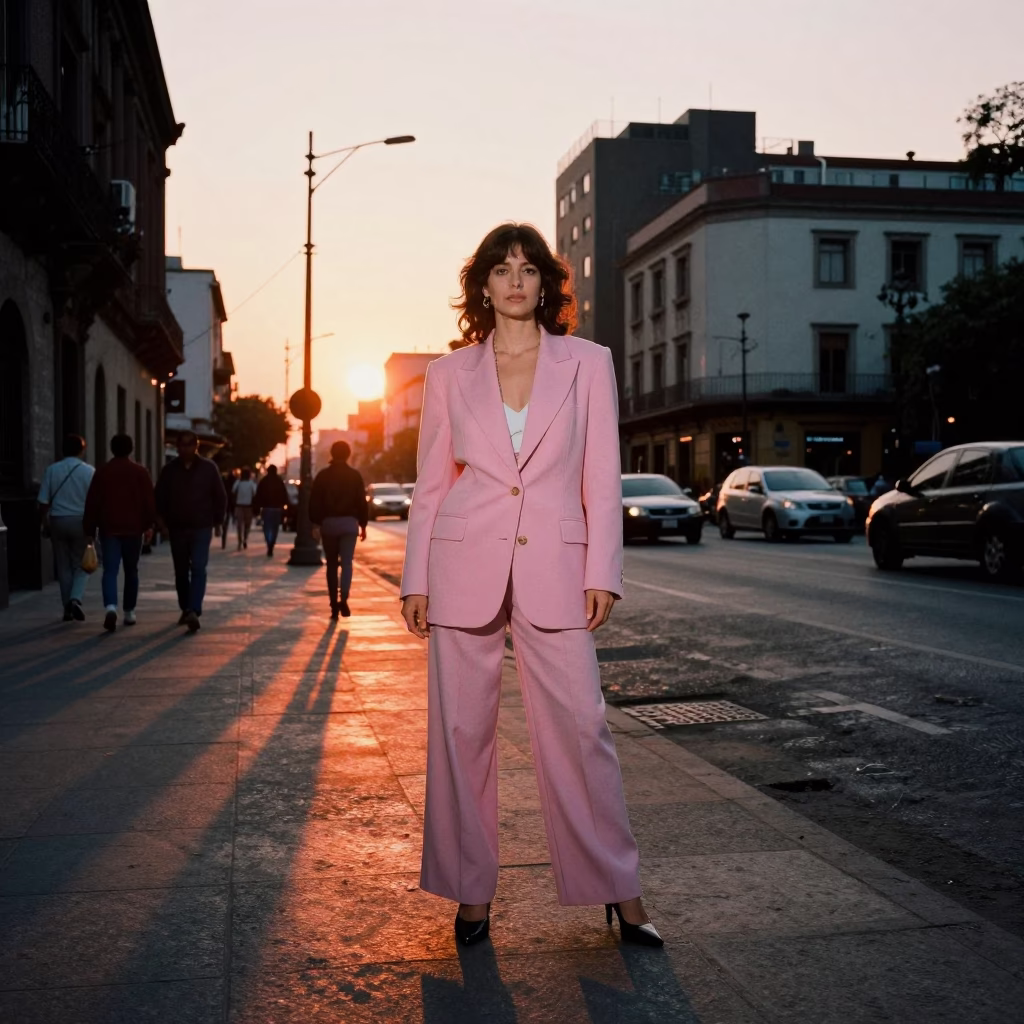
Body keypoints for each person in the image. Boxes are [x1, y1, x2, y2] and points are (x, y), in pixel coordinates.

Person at [400, 223, 662, 949]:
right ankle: (469, 891)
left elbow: (600, 476)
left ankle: (619, 889)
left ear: (546, 284)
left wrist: (601, 569)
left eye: (528, 268)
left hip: (556, 561)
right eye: (500, 269)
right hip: (462, 560)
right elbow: (431, 484)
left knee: (583, 728)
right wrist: (416, 575)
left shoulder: (587, 362)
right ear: (481, 286)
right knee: (459, 734)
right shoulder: (449, 373)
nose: (515, 280)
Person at [83, 434, 156, 631]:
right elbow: (149, 501)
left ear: (111, 448)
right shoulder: (140, 472)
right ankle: (130, 611)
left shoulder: (103, 472)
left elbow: (92, 503)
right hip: (134, 529)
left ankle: (110, 606)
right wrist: (149, 525)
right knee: (132, 570)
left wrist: (89, 529)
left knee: (110, 570)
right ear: (131, 449)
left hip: (109, 529)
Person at [155, 431, 227, 633]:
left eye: (189, 445)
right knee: (180, 570)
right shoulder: (169, 470)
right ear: (177, 447)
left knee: (198, 567)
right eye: (182, 445)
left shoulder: (208, 468)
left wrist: (218, 522)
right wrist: (161, 524)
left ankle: (194, 609)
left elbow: (219, 496)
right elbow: (159, 497)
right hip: (177, 527)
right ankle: (185, 607)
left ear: (196, 446)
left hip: (201, 526)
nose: (185, 448)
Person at [38, 434, 95, 622]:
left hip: (58, 520)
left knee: (63, 565)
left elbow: (43, 501)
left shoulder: (52, 470)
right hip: (81, 521)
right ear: (82, 450)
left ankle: (67, 608)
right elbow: (95, 502)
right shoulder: (89, 471)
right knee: (82, 564)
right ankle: (75, 598)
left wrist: (44, 522)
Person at [309, 441, 368, 619]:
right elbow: (361, 502)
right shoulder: (355, 475)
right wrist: (363, 525)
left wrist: (316, 524)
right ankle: (344, 598)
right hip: (350, 524)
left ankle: (333, 604)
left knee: (332, 565)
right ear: (348, 454)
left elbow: (315, 501)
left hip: (329, 525)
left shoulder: (323, 476)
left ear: (332, 454)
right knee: (347, 563)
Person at [252, 464, 290, 557]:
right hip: (277, 508)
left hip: (266, 508)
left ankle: (269, 542)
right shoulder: (279, 481)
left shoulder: (264, 481)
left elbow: (258, 495)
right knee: (275, 527)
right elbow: (284, 494)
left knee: (267, 527)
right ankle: (272, 543)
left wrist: (257, 507)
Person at [232, 467, 257, 550]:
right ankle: (244, 539)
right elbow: (255, 494)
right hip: (247, 506)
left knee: (240, 526)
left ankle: (240, 540)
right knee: (247, 525)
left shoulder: (238, 483)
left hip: (239, 506)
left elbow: (233, 492)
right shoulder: (251, 483)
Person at [220, 469, 238, 549]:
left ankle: (223, 540)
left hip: (225, 503)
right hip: (231, 504)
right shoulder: (234, 480)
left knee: (225, 523)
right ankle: (224, 540)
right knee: (228, 522)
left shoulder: (223, 481)